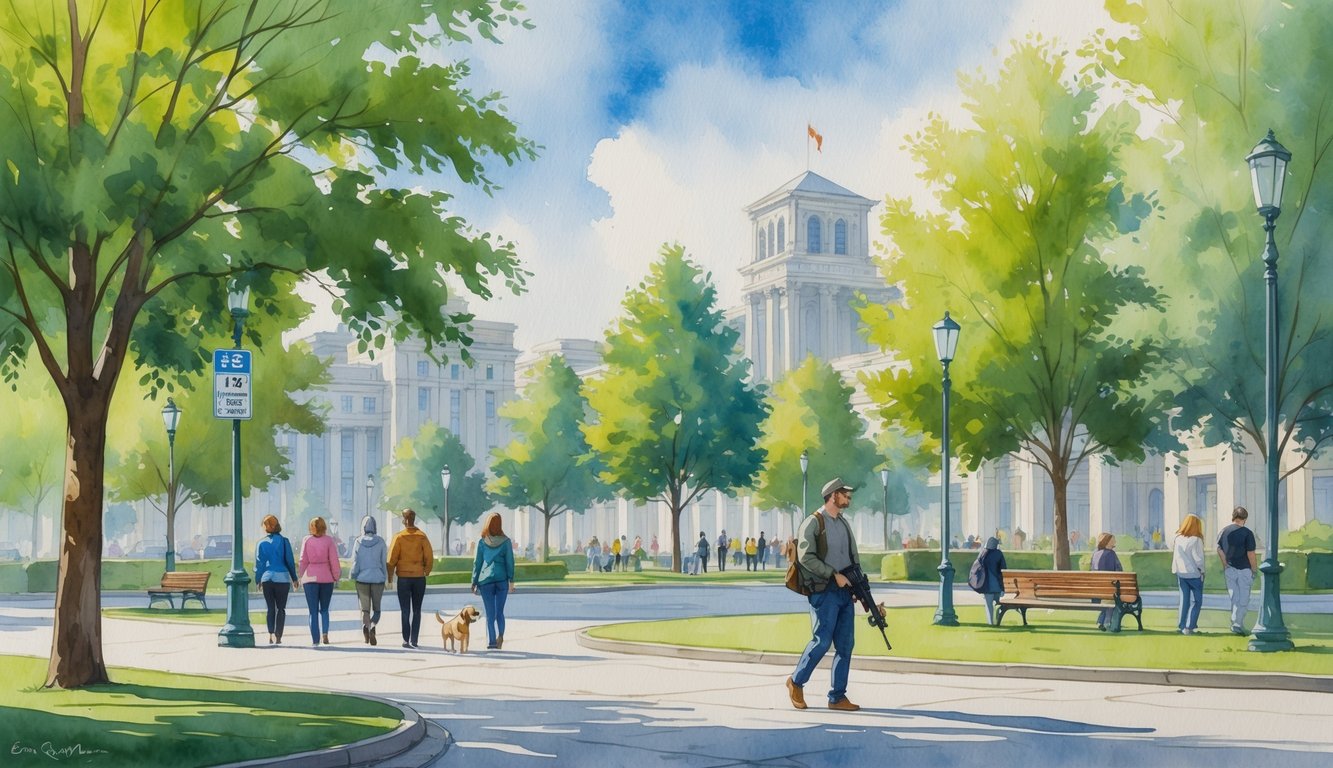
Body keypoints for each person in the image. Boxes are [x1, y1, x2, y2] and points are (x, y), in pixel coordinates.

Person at [787, 477, 863, 712]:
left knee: (846, 645)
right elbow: (806, 558)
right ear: (833, 495)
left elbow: (853, 557)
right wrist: (833, 574)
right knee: (822, 641)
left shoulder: (843, 523)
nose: (849, 498)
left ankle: (837, 697)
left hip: (845, 591)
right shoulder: (813, 522)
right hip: (823, 591)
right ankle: (796, 682)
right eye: (845, 494)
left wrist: (858, 587)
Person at [387, 508, 433, 648]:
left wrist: (390, 578)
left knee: (405, 610)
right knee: (417, 610)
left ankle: (406, 639)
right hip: (419, 577)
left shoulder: (399, 537)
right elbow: (429, 557)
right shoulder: (422, 536)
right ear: (414, 519)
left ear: (404, 520)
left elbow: (391, 560)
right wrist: (426, 571)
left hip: (403, 578)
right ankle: (415, 639)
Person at [472, 512, 515, 650]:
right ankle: (500, 635)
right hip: (502, 580)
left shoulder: (482, 542)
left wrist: (474, 581)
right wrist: (511, 580)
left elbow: (477, 563)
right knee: (499, 612)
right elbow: (510, 562)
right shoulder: (506, 542)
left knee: (490, 613)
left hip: (486, 581)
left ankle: (491, 642)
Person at [255, 514, 298, 644]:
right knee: (281, 608)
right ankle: (278, 635)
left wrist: (258, 579)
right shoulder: (284, 541)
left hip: (267, 578)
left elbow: (260, 564)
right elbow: (289, 561)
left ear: (267, 527)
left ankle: (271, 634)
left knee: (270, 608)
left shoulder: (261, 543)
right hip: (282, 579)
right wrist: (294, 578)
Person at [298, 516, 341, 646]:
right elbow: (334, 560)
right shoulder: (329, 541)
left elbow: (303, 560)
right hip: (326, 578)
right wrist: (336, 576)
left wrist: (301, 575)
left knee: (313, 611)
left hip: (310, 578)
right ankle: (325, 633)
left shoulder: (306, 540)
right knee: (325, 609)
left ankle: (315, 639)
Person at [1217, 506, 1257, 635]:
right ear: (1245, 519)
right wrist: (1254, 569)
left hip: (1230, 569)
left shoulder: (1224, 531)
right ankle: (1237, 623)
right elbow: (1251, 553)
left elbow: (1219, 549)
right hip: (1244, 569)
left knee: (1234, 597)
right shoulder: (1247, 533)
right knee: (1243, 599)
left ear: (1233, 517)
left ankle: (1235, 621)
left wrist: (1225, 563)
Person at [350, 514, 388, 646]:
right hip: (378, 579)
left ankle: (366, 627)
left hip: (362, 580)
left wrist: (353, 575)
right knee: (377, 609)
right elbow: (383, 562)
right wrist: (385, 577)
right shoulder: (381, 542)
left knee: (365, 610)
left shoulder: (358, 542)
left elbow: (355, 562)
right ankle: (372, 625)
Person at [1172, 513, 1206, 635]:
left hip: (1181, 573)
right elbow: (1198, 559)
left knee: (1184, 600)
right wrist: (1202, 571)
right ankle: (1190, 626)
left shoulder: (1177, 538)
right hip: (1194, 574)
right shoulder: (1197, 539)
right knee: (1197, 601)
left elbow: (1176, 557)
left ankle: (1182, 625)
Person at [1090, 532, 1122, 631]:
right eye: (1113, 540)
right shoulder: (1111, 554)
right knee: (1112, 598)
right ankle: (1107, 622)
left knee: (1108, 599)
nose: (1115, 541)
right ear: (1107, 542)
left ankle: (1101, 621)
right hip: (1108, 589)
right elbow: (1119, 571)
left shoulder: (1095, 554)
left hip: (1097, 589)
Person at [975, 536, 1006, 625]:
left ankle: (990, 622)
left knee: (988, 605)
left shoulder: (983, 553)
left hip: (987, 585)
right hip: (997, 585)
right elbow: (1003, 569)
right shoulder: (999, 554)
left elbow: (977, 566)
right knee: (997, 603)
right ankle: (997, 620)